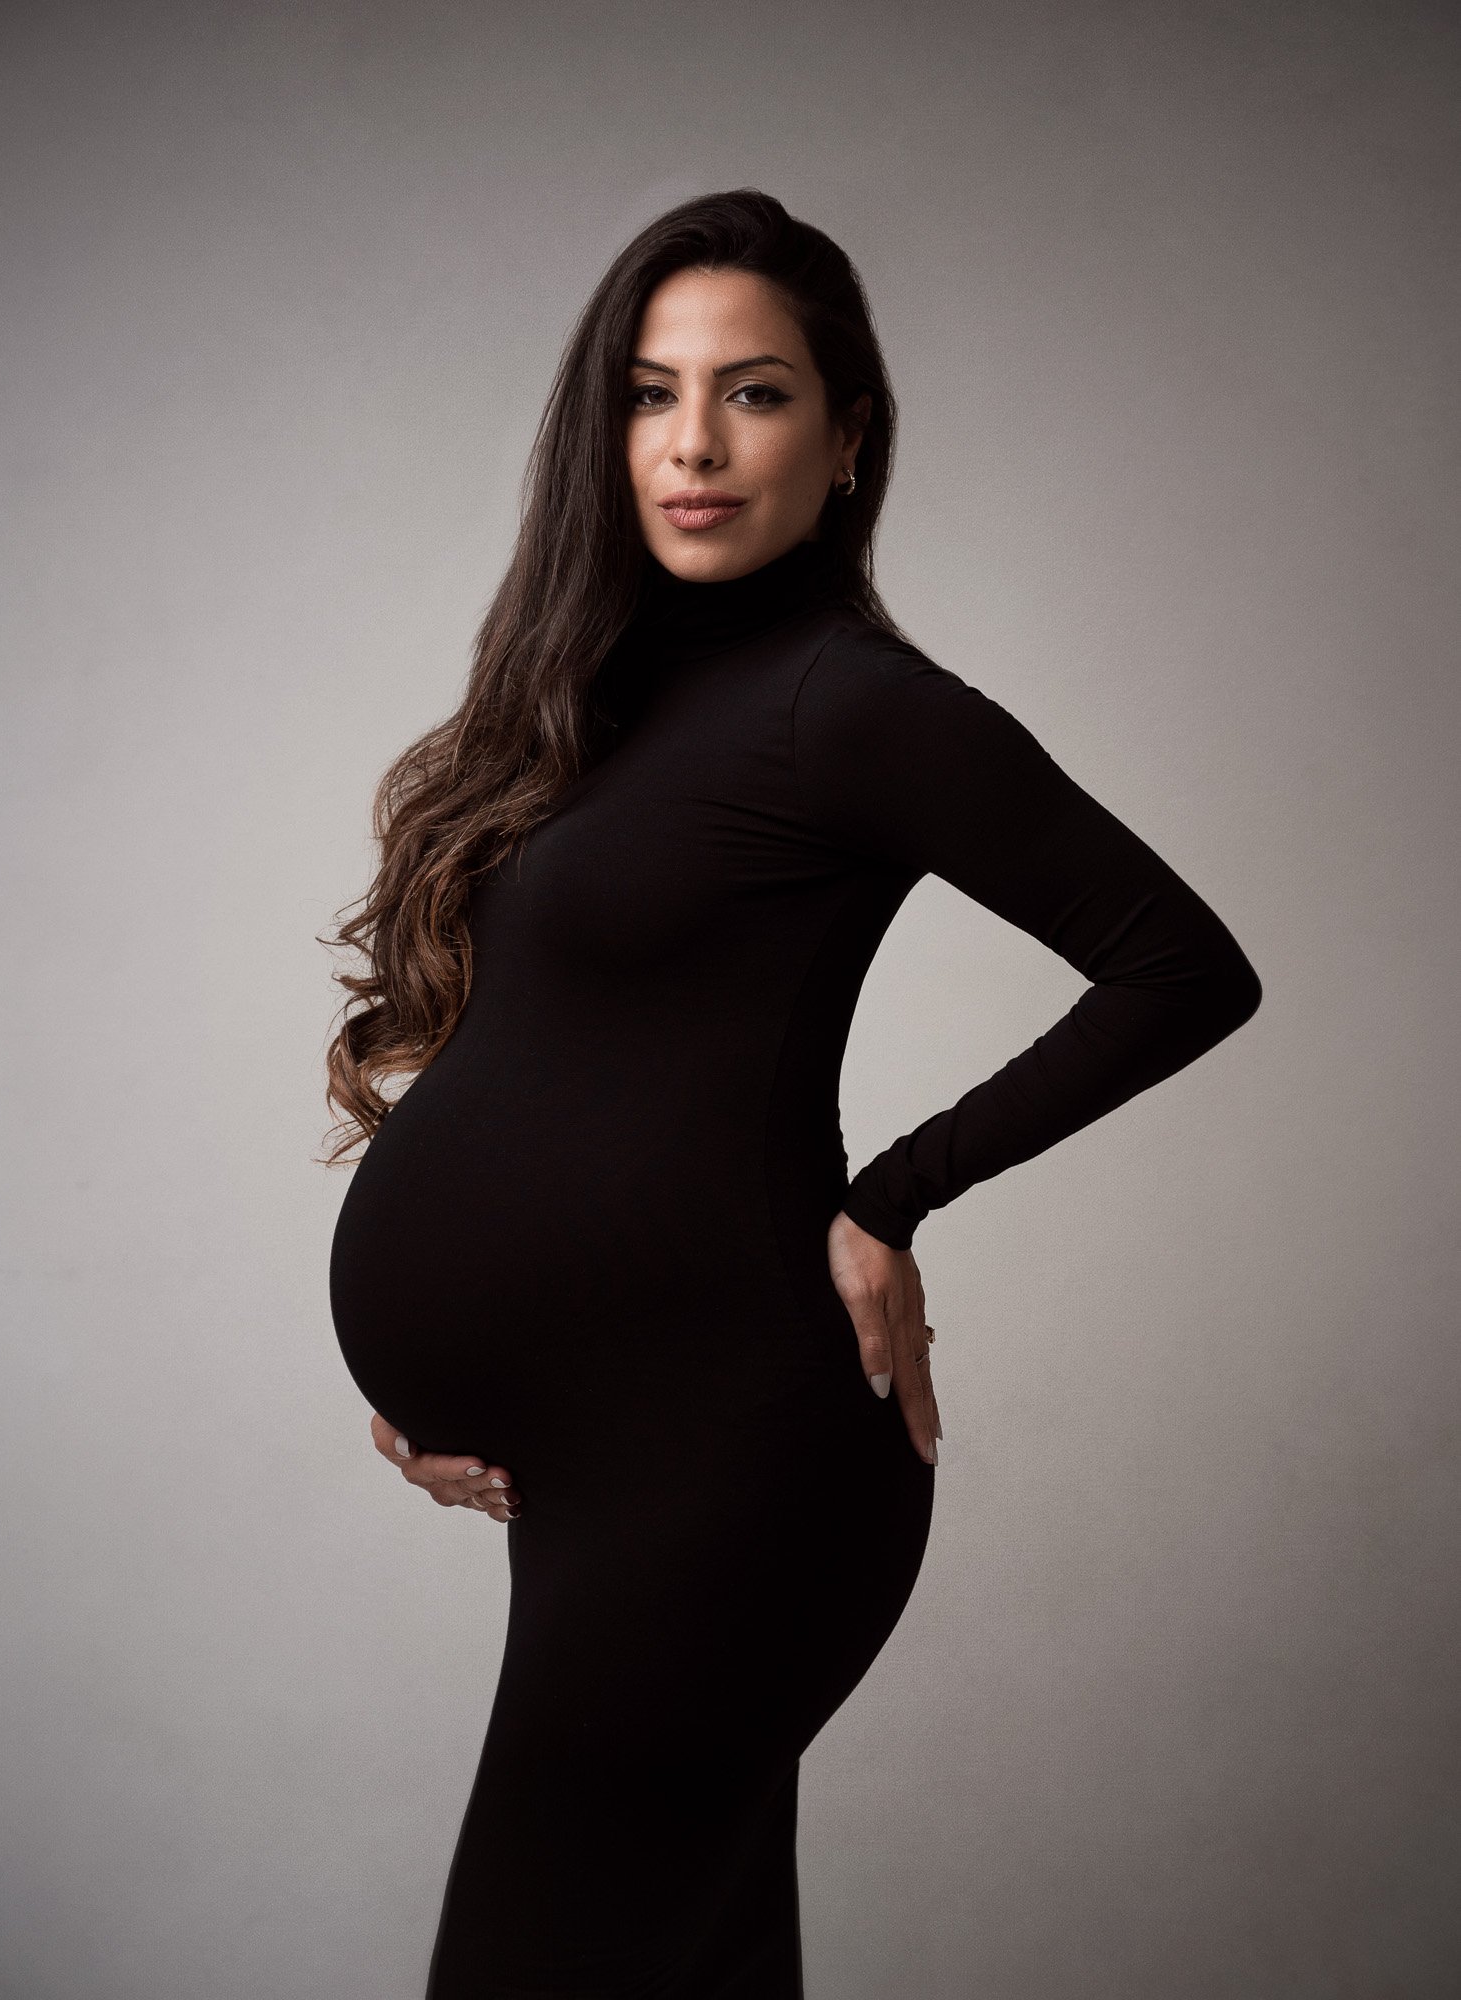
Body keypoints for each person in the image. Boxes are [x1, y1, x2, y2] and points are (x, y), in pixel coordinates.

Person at [322, 187, 1261, 1997]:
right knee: (691, 1960)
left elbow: (1184, 967)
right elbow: (560, 1067)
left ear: (845, 441)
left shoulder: (855, 704)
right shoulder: (581, 699)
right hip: (599, 1467)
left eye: (753, 393)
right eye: (650, 392)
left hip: (732, 1473)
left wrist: (892, 1196)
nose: (690, 442)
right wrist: (442, 1348)